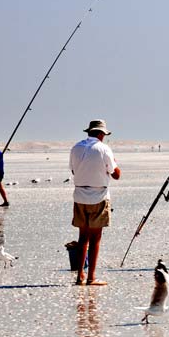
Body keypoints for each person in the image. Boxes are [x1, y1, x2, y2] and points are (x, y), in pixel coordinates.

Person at [69, 119, 121, 286]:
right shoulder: (104, 149)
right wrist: (114, 162)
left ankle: (80, 275)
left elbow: (72, 170)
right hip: (98, 196)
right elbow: (116, 174)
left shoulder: (76, 147)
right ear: (100, 134)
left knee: (82, 237)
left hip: (79, 196)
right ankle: (91, 276)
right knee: (96, 238)